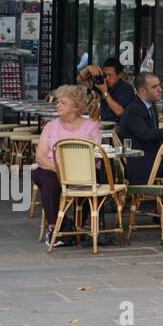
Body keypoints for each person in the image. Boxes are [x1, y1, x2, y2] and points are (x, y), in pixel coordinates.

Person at [32, 84, 101, 247]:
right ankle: (54, 227)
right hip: (50, 168)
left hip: (82, 172)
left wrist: (72, 172)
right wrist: (61, 171)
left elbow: (95, 156)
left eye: (63, 102)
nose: (57, 105)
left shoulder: (90, 127)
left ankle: (77, 226)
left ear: (76, 107)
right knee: (50, 181)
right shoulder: (50, 126)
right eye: (57, 102)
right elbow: (40, 157)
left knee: (93, 178)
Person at [119, 72, 163, 186]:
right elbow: (146, 134)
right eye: (154, 87)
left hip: (153, 158)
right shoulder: (134, 110)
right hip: (141, 164)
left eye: (159, 85)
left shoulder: (150, 106)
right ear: (142, 91)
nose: (160, 89)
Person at [80, 58, 135, 123]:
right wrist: (88, 68)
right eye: (105, 75)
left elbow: (119, 112)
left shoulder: (126, 88)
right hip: (104, 124)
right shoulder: (104, 84)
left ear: (120, 75)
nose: (107, 78)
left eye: (110, 75)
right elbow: (80, 80)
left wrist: (105, 92)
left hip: (119, 126)